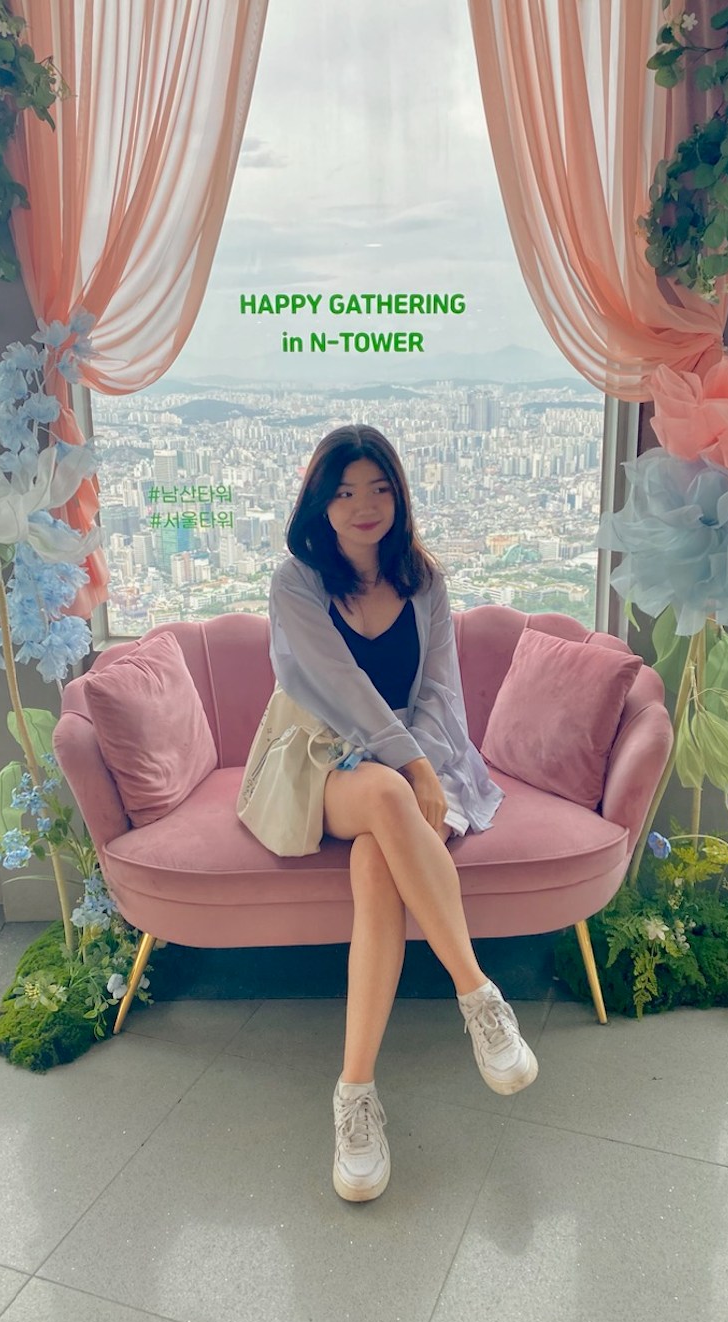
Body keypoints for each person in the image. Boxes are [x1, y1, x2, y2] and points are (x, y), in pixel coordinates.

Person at [269, 424, 538, 1202]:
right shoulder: (297, 581)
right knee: (388, 795)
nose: (364, 505)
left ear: (399, 495)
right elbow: (339, 692)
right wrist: (413, 767)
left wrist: (425, 757)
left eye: (378, 488)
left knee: (376, 860)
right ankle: (478, 995)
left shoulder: (424, 582)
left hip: (415, 754)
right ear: (319, 501)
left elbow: (441, 696)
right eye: (345, 490)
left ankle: (354, 1093)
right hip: (322, 755)